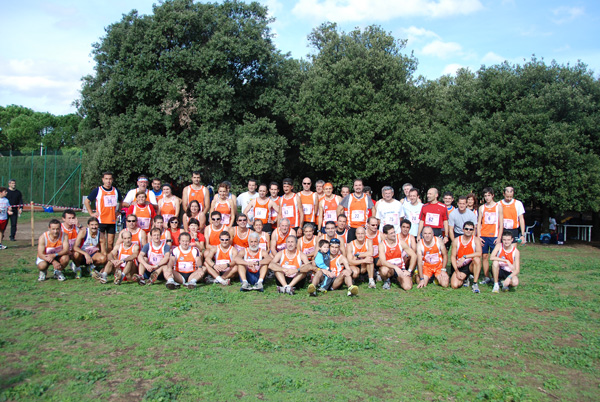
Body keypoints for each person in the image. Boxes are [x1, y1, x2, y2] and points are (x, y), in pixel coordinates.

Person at [84, 172, 121, 255]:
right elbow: (87, 201)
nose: (108, 181)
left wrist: (118, 211)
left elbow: (121, 201)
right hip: (100, 220)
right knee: (101, 242)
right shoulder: (98, 190)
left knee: (110, 243)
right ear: (103, 180)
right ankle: (101, 259)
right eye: (106, 179)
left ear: (112, 180)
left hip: (111, 220)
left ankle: (109, 261)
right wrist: (91, 213)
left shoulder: (116, 190)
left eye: (110, 179)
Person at [477, 187, 503, 285]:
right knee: (484, 256)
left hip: (494, 236)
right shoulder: (482, 208)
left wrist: (499, 237)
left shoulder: (498, 207)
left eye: (489, 195)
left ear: (493, 195)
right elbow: (479, 223)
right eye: (485, 196)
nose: (487, 198)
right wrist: (479, 236)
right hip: (483, 235)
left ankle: (495, 277)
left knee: (495, 257)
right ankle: (486, 276)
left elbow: (501, 223)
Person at [379, 224, 418, 290]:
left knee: (407, 287)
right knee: (384, 270)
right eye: (391, 233)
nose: (394, 234)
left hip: (400, 269)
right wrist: (395, 267)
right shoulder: (382, 245)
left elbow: (414, 255)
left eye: (394, 232)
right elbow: (383, 262)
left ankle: (398, 279)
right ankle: (386, 280)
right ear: (385, 235)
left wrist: (409, 270)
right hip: (390, 268)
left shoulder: (401, 242)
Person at [450, 221, 482, 292]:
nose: (468, 231)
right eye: (467, 229)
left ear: (473, 231)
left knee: (477, 260)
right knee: (454, 285)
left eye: (471, 229)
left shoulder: (476, 240)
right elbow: (452, 257)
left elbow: (479, 253)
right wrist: (457, 271)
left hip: (470, 265)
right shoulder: (456, 240)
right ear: (463, 229)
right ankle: (465, 278)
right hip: (460, 265)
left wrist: (465, 257)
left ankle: (475, 283)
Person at [60, 209, 80, 275]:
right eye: (69, 218)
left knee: (77, 253)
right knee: (65, 258)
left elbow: (86, 233)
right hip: (63, 252)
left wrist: (79, 225)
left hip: (74, 251)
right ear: (63, 219)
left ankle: (77, 267)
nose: (71, 220)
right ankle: (58, 270)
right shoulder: (60, 228)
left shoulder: (76, 227)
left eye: (73, 218)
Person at [365, 216, 383, 283]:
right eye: (373, 225)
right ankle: (370, 279)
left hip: (377, 257)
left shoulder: (380, 234)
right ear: (368, 225)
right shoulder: (363, 234)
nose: (375, 227)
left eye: (376, 225)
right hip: (367, 256)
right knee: (369, 259)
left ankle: (379, 273)